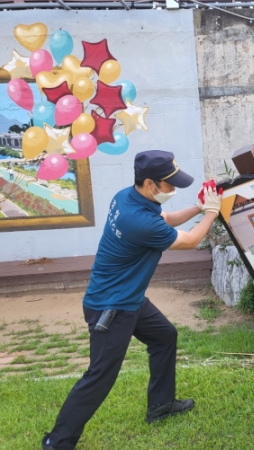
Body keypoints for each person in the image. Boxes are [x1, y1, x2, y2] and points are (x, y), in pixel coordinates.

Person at [42, 150, 222, 450]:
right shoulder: (137, 221)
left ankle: (160, 406)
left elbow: (166, 217)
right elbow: (190, 241)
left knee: (165, 336)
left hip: (129, 298)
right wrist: (213, 213)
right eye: (169, 184)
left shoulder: (129, 197)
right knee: (99, 376)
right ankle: (57, 442)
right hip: (111, 307)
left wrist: (198, 208)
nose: (173, 189)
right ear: (151, 183)